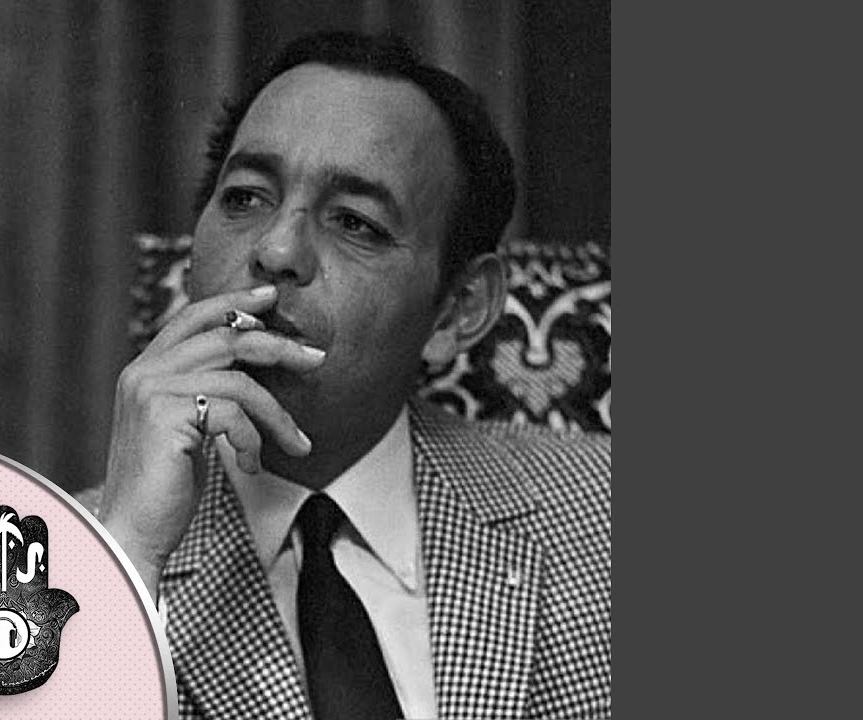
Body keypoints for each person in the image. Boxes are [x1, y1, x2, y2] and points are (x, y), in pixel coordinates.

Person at [95, 31, 611, 720]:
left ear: (459, 309)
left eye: (355, 223)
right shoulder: (48, 562)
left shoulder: (604, 515)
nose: (277, 250)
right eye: (245, 198)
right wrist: (125, 556)